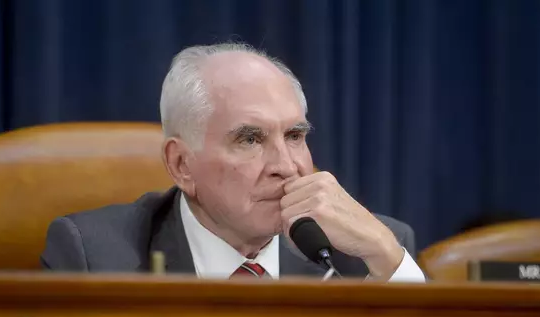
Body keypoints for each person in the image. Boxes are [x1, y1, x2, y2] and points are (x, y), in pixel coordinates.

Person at [41, 43, 425, 282]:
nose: (287, 166)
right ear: (181, 165)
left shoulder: (368, 253)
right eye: (250, 139)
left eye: (295, 136)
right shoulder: (94, 259)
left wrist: (388, 257)